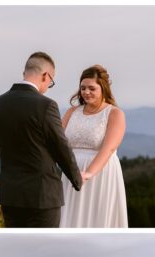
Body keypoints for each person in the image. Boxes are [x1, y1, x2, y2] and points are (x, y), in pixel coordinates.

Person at [0, 51, 84, 227]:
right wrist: (77, 179)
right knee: (44, 249)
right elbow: (60, 146)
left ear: (25, 72)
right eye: (51, 81)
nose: (48, 85)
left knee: (16, 247)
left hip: (10, 195)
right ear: (45, 75)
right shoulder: (46, 105)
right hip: (42, 196)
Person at [60, 65, 128, 227]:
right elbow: (58, 142)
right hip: (71, 173)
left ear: (103, 88)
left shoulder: (114, 113)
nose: (86, 92)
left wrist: (88, 173)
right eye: (83, 88)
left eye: (92, 88)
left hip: (100, 173)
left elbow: (109, 148)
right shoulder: (72, 112)